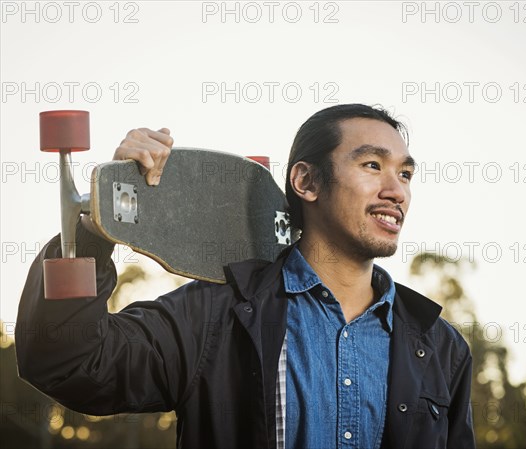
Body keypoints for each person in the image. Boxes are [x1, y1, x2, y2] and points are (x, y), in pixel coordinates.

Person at [16, 104, 475, 448]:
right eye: (373, 165)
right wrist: (96, 228)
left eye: (406, 173)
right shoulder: (216, 316)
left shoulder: (441, 347)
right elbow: (69, 362)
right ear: (307, 182)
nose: (396, 191)